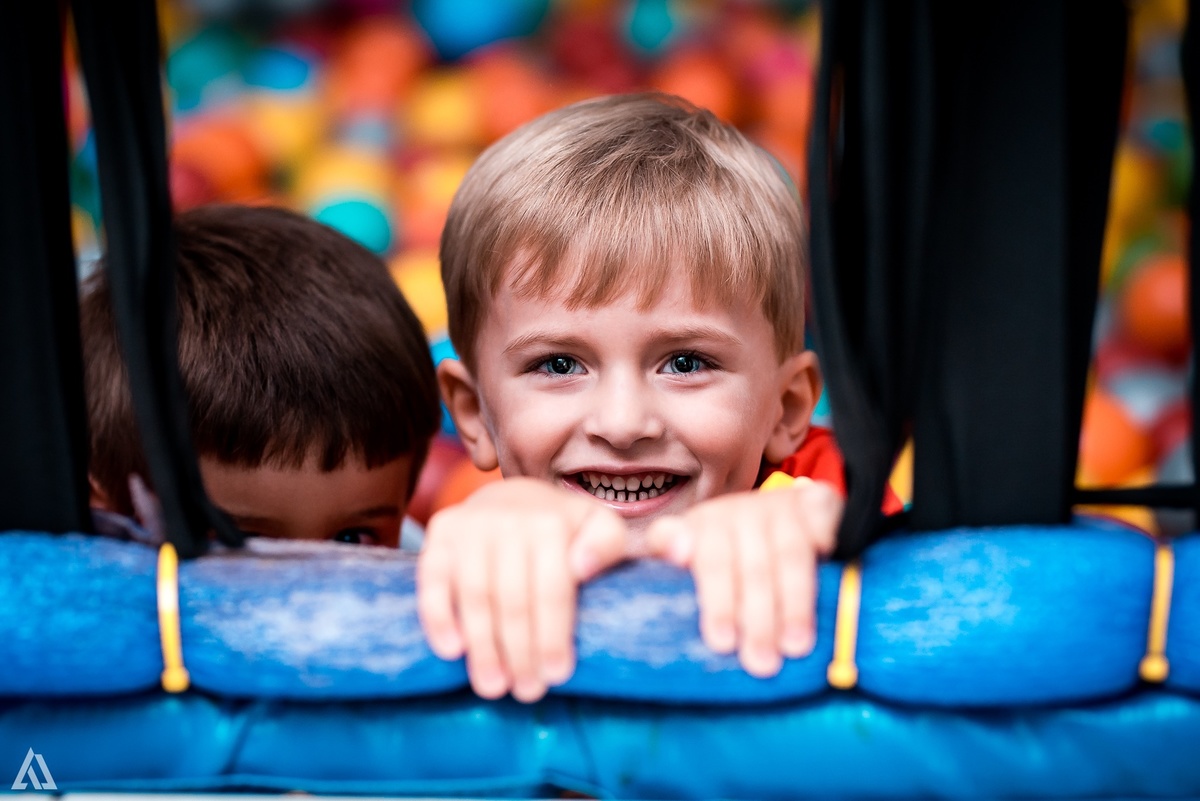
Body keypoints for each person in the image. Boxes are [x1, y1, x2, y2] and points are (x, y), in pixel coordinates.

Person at [418, 93, 901, 703]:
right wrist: (485, 536)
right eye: (559, 364)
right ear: (472, 412)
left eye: (686, 362)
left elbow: (928, 588)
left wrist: (816, 546)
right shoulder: (481, 531)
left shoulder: (827, 494)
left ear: (787, 409)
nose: (623, 424)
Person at [82, 204, 441, 548]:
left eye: (352, 538)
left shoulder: (424, 578)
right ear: (106, 515)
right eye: (246, 542)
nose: (306, 592)